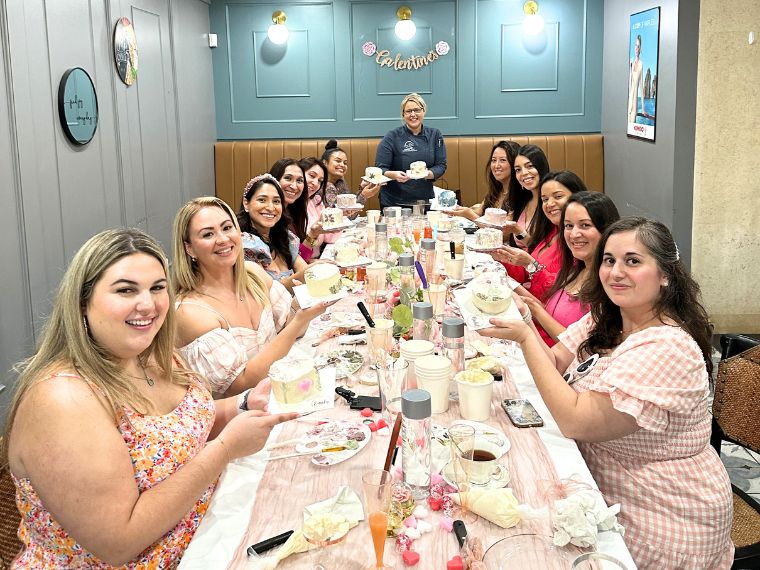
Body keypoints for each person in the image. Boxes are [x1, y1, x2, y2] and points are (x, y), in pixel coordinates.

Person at [1, 228, 297, 567]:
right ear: (83, 301)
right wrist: (225, 449)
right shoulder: (62, 400)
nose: (148, 304)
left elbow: (177, 427)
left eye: (157, 287)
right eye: (126, 290)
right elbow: (118, 541)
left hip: (212, 537)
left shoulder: (151, 353)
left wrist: (240, 405)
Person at [480, 217, 734, 568]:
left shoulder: (667, 347)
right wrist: (525, 317)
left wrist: (525, 336)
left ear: (665, 274)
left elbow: (575, 421)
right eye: (609, 260)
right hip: (606, 480)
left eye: (633, 261)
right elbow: (554, 361)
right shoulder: (609, 316)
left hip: (664, 507)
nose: (616, 272)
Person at [173, 195, 330, 397]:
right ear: (189, 248)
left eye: (227, 228)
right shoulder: (191, 312)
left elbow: (289, 330)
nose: (223, 239)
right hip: (243, 417)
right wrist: (299, 320)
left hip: (283, 392)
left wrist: (299, 307)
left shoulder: (252, 273)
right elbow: (240, 385)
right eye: (208, 234)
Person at [518, 191, 620, 347]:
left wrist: (533, 309)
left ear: (606, 229)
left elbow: (582, 348)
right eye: (568, 226)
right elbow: (552, 313)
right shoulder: (574, 268)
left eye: (585, 225)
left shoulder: (611, 285)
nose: (574, 234)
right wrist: (513, 290)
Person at [492, 170, 585, 302]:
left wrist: (531, 265)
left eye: (558, 197)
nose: (550, 204)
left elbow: (560, 294)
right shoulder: (552, 229)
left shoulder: (578, 240)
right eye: (545, 199)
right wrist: (502, 257)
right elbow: (526, 270)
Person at [238, 174, 317, 290]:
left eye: (276, 201)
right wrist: (311, 271)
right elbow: (274, 293)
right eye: (262, 200)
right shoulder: (246, 244)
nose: (270, 207)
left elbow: (303, 269)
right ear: (246, 203)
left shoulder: (284, 237)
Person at [375, 93, 447, 209]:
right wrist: (394, 175)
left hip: (423, 201)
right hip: (394, 202)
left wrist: (426, 174)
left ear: (424, 111)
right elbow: (380, 169)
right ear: (403, 115)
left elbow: (441, 165)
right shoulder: (392, 136)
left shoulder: (435, 135)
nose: (413, 114)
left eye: (417, 110)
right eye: (408, 111)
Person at [448, 140, 520, 221]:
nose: (496, 165)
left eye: (502, 160)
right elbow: (478, 212)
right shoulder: (496, 191)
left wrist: (469, 214)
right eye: (494, 160)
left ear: (515, 164)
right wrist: (459, 210)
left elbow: (505, 230)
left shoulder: (519, 195)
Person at [504, 144, 550, 248]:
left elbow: (544, 251)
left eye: (530, 166)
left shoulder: (550, 204)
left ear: (541, 167)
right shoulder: (523, 202)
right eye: (518, 170)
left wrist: (517, 230)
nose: (524, 173)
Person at [321, 141, 381, 209]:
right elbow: (344, 215)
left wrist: (362, 188)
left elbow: (349, 207)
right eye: (338, 161)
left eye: (345, 163)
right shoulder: (324, 185)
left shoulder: (340, 181)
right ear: (325, 163)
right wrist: (364, 195)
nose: (342, 165)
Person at [299, 156, 337, 259]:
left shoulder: (316, 201)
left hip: (317, 259)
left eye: (320, 181)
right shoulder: (288, 205)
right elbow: (295, 258)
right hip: (302, 266)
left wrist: (340, 215)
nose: (316, 183)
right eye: (312, 176)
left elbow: (330, 238)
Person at [628, 34, 644, 124]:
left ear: (640, 49)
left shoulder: (641, 64)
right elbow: (629, 84)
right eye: (635, 46)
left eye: (638, 46)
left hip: (634, 104)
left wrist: (643, 108)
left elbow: (641, 88)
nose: (636, 48)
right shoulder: (632, 62)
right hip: (629, 101)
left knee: (632, 125)